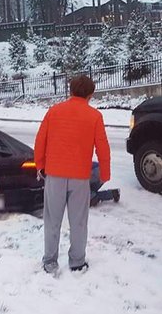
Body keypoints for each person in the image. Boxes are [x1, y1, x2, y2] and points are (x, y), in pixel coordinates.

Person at [34, 75, 111, 274]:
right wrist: (104, 173)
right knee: (78, 221)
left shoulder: (54, 111)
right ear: (91, 94)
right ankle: (77, 261)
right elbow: (103, 147)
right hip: (80, 177)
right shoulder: (94, 116)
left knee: (52, 219)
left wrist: (40, 166)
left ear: (70, 91)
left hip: (55, 175)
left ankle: (50, 261)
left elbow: (40, 141)